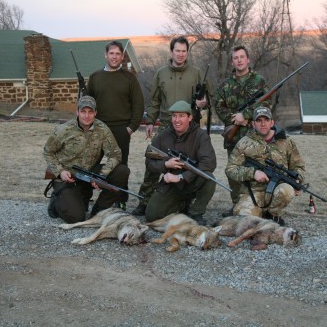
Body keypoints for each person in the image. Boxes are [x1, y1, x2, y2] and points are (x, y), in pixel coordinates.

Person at [132, 36, 208, 216]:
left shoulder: (197, 73)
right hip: (166, 123)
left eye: (184, 51)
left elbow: (206, 98)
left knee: (187, 163)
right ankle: (144, 200)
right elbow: (155, 100)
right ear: (171, 51)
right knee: (155, 159)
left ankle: (185, 201)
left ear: (187, 52)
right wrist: (150, 121)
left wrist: (203, 102)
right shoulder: (161, 73)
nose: (180, 54)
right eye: (177, 50)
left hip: (190, 124)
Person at [43, 95, 130, 223]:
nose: (86, 116)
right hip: (68, 177)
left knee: (122, 172)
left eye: (90, 112)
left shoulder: (102, 129)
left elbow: (115, 154)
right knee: (76, 217)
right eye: (83, 111)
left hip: (89, 173)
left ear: (95, 113)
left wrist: (101, 175)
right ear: (77, 112)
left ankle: (98, 211)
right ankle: (57, 200)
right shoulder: (64, 129)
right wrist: (60, 171)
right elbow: (48, 151)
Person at [225, 107, 306, 225]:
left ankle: (273, 215)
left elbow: (299, 167)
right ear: (253, 124)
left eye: (266, 120)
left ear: (272, 122)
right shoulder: (244, 143)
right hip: (252, 192)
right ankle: (258, 212)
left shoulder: (286, 141)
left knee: (287, 191)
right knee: (244, 222)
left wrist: (298, 179)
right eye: (259, 120)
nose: (263, 124)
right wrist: (253, 173)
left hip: (278, 189)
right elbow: (230, 169)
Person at [215, 45, 269, 216]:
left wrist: (245, 117)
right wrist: (234, 119)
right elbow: (219, 107)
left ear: (248, 59)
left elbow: (267, 105)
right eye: (235, 57)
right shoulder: (225, 85)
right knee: (234, 172)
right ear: (232, 61)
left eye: (242, 57)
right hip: (234, 137)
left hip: (254, 136)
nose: (239, 60)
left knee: (257, 171)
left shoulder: (259, 81)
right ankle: (237, 206)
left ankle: (260, 206)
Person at [144, 100, 216, 225]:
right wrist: (165, 165)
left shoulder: (201, 135)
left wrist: (181, 177)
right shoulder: (163, 136)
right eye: (174, 116)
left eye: (181, 116)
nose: (177, 120)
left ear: (190, 117)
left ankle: (195, 212)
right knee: (152, 215)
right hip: (171, 185)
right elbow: (149, 163)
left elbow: (209, 163)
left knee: (209, 177)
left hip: (192, 181)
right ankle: (182, 205)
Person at [87, 40, 144, 166]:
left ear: (122, 56)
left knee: (120, 168)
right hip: (98, 128)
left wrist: (130, 128)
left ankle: (118, 186)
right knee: (90, 165)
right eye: (111, 53)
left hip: (121, 129)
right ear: (105, 55)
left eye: (117, 54)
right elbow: (87, 104)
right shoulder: (95, 77)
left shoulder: (129, 78)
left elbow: (138, 104)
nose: (114, 57)